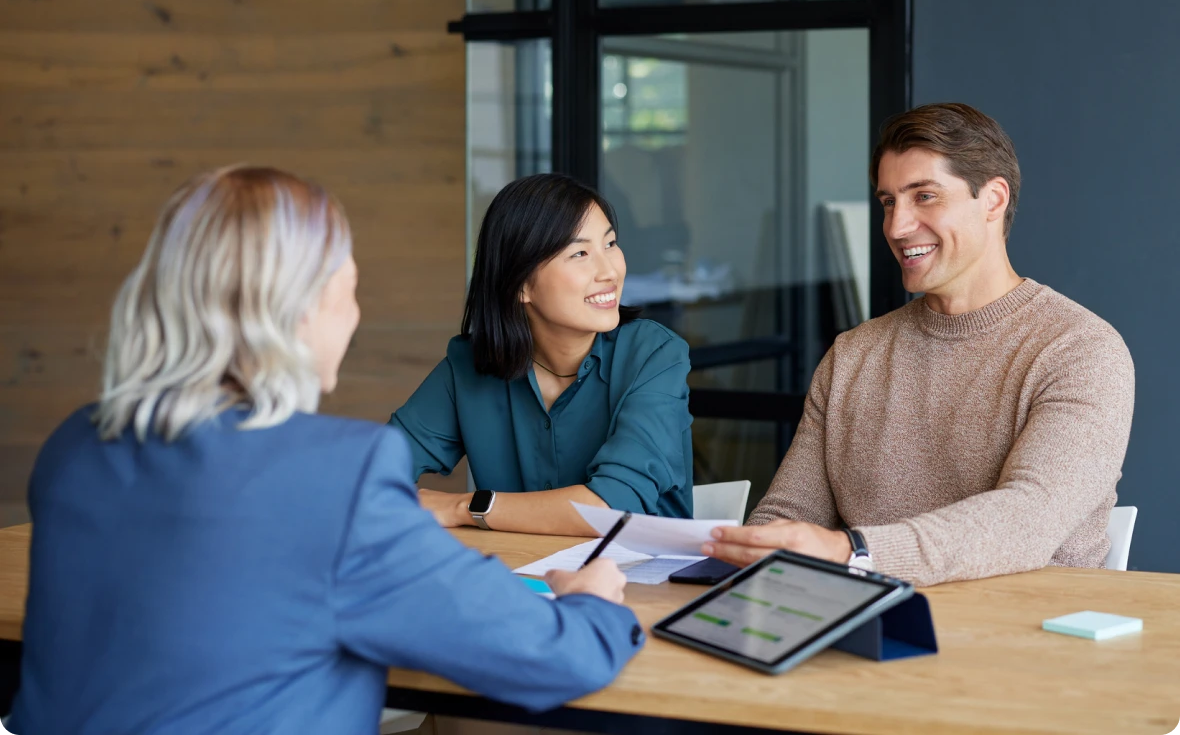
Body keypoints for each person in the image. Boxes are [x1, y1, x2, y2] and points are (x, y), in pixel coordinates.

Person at [8, 167, 644, 735]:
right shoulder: (341, 476)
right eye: (349, 289)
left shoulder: (75, 447)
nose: (354, 316)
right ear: (302, 310)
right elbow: (554, 656)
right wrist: (590, 601)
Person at [703, 103, 1135, 586]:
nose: (896, 227)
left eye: (924, 196)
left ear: (993, 200)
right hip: (869, 619)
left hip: (1030, 625)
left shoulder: (1080, 350)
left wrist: (854, 551)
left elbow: (1027, 521)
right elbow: (789, 514)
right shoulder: (853, 355)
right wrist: (748, 549)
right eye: (889, 202)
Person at [391, 173, 693, 535]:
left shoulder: (654, 355)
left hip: (642, 569)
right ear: (520, 284)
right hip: (517, 568)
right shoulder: (470, 366)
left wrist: (464, 507)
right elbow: (370, 474)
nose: (610, 271)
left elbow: (613, 508)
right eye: (580, 253)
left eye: (610, 244)